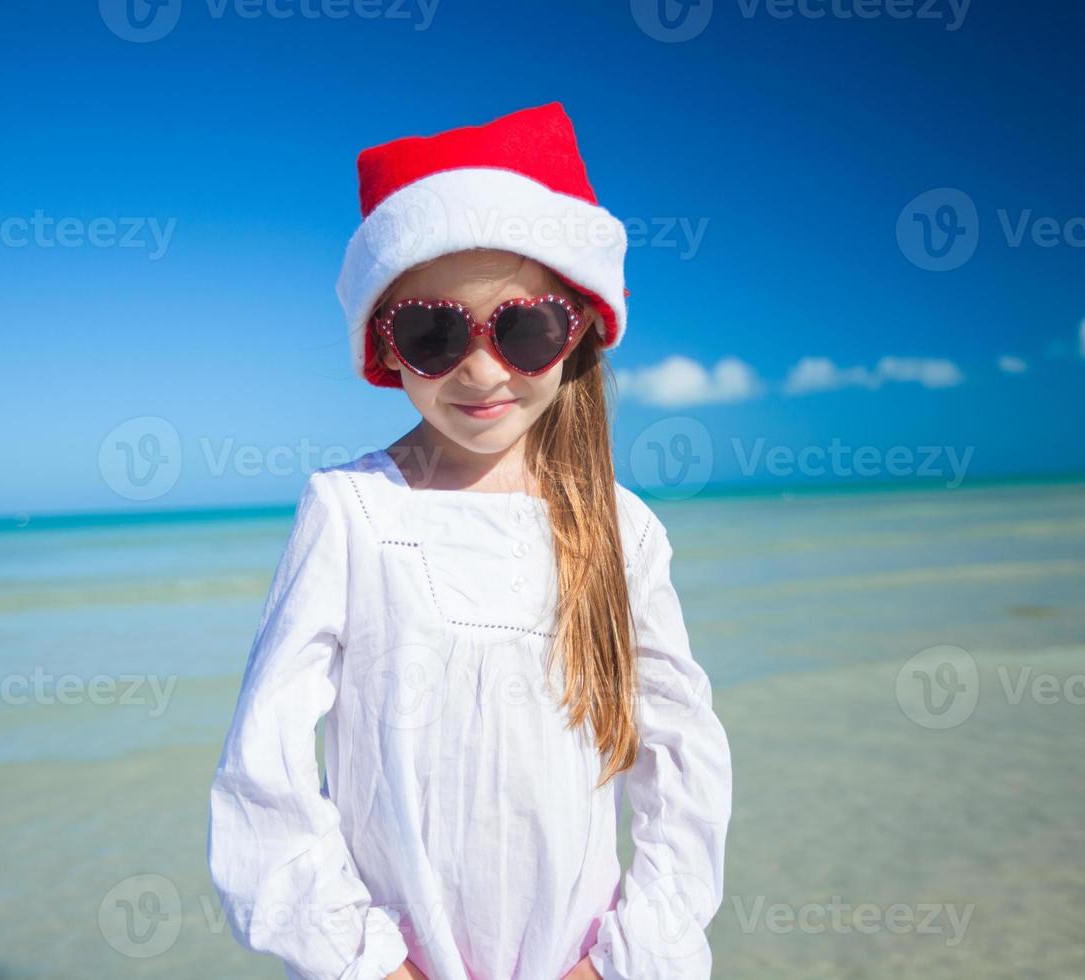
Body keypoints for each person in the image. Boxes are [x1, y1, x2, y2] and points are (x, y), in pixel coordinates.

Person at [208, 102, 732, 980]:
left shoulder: (621, 532)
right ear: (385, 343)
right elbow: (266, 771)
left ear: (579, 330)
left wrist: (621, 963)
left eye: (523, 328)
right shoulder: (350, 512)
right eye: (433, 331)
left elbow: (684, 763)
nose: (482, 370)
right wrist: (368, 964)